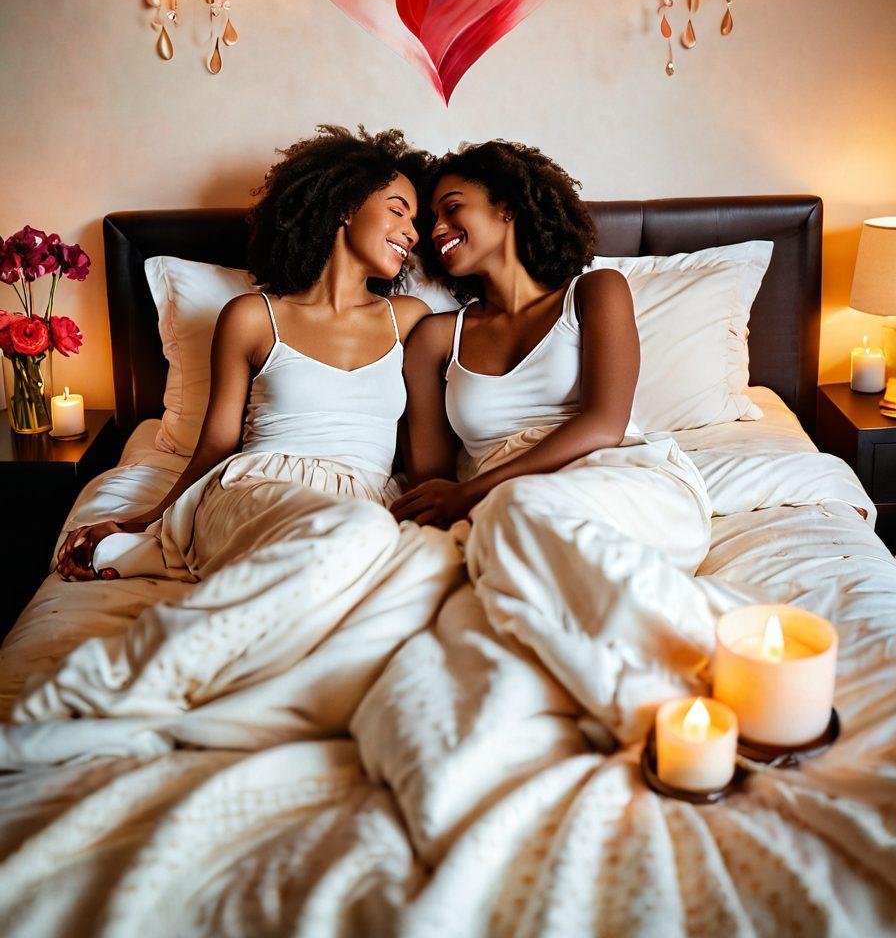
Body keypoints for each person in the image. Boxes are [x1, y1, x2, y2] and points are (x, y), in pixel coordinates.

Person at [10, 127, 462, 751]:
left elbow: (432, 452)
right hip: (254, 486)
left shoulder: (411, 320)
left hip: (366, 498)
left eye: (416, 222)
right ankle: (111, 684)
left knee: (388, 564)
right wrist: (150, 518)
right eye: (398, 211)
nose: (412, 232)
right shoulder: (253, 317)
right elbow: (216, 445)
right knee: (358, 539)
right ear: (342, 207)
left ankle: (232, 696)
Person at [391, 140, 714, 743]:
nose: (435, 228)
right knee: (469, 598)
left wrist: (477, 495)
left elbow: (603, 423)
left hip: (624, 483)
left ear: (508, 208)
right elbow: (435, 477)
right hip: (503, 512)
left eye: (451, 208)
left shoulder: (595, 292)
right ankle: (641, 702)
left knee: (515, 511)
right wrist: (453, 506)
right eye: (428, 218)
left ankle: (710, 652)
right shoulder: (437, 337)